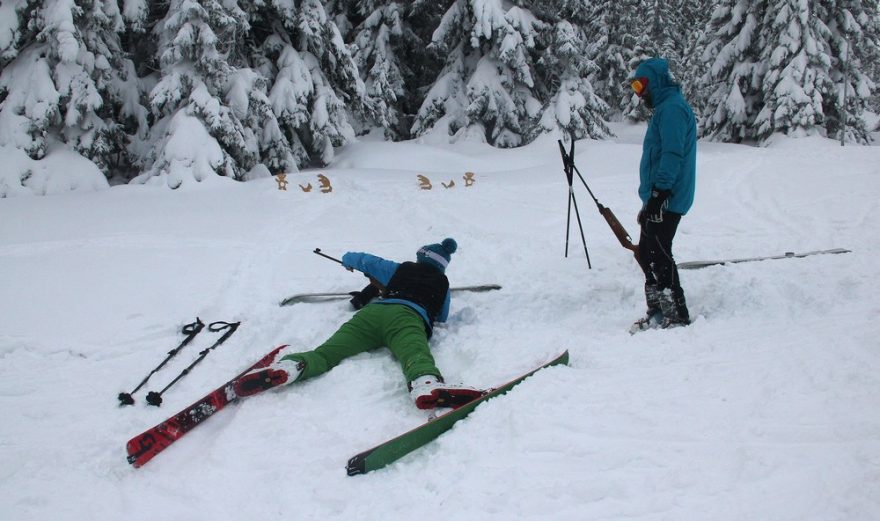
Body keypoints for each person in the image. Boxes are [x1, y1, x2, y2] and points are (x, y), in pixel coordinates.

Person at [234, 238, 483, 409]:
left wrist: (348, 262)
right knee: (415, 354)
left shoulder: (399, 269)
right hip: (407, 319)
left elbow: (360, 258)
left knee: (327, 353)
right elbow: (442, 317)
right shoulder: (443, 284)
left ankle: (293, 367)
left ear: (420, 258)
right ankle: (425, 384)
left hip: (372, 314)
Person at [628, 57, 696, 332]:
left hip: (669, 196)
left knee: (658, 250)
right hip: (659, 196)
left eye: (641, 84)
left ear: (654, 83)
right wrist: (651, 199)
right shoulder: (664, 109)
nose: (639, 92)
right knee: (646, 252)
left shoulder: (672, 110)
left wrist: (660, 192)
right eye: (635, 86)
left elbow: (672, 154)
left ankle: (675, 312)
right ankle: (657, 308)